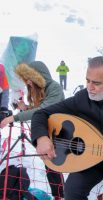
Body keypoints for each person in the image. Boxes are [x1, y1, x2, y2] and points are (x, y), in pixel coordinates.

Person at [30, 56, 103, 200]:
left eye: (96, 83)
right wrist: (41, 138)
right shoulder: (81, 98)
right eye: (87, 80)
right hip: (87, 160)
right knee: (72, 192)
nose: (89, 87)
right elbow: (41, 113)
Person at [0, 61, 65, 199]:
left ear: (38, 76)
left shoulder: (55, 88)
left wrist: (14, 118)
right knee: (50, 164)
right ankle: (58, 195)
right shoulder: (37, 90)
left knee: (55, 165)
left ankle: (60, 195)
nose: (27, 83)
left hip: (60, 133)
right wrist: (25, 108)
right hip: (45, 133)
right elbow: (38, 110)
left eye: (29, 79)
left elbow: (43, 109)